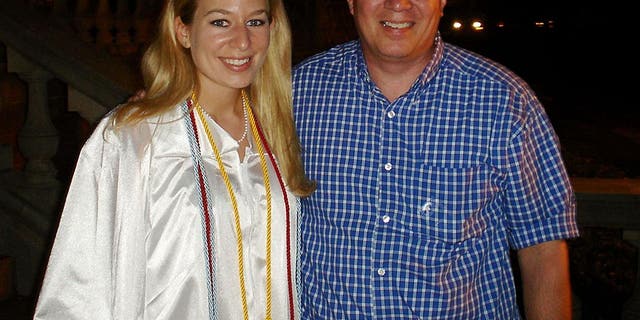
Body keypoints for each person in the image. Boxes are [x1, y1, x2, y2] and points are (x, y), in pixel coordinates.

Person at [293, 0, 578, 319]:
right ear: (351, 3)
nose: (398, 4)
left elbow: (543, 252)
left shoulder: (504, 100)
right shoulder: (299, 91)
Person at [33, 0, 314, 318]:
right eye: (220, 22)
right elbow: (80, 286)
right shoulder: (135, 138)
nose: (242, 41)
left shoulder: (279, 129)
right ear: (183, 31)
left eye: (256, 22)